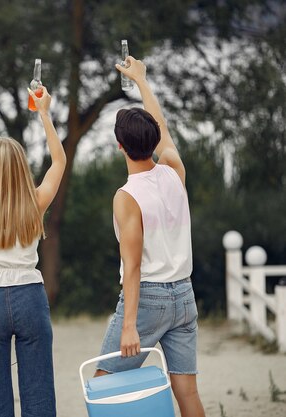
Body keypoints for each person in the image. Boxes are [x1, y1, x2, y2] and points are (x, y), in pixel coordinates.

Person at [93, 56, 205, 417]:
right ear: (154, 139)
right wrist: (141, 80)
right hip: (185, 295)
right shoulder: (174, 169)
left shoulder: (126, 197)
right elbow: (162, 127)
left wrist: (129, 326)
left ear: (119, 146)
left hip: (150, 299)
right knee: (186, 391)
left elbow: (134, 265)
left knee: (102, 381)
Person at [0, 86, 66, 417]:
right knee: (38, 393)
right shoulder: (35, 202)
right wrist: (44, 113)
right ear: (20, 167)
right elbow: (59, 161)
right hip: (31, 298)